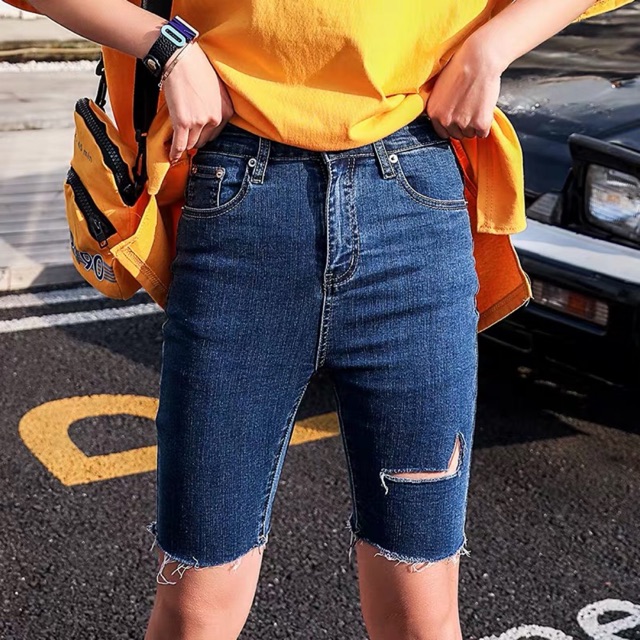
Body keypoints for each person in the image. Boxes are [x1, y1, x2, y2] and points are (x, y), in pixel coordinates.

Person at [7, 0, 632, 638]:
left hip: (413, 192)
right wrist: (166, 47)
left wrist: (491, 46)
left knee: (421, 611)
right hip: (239, 191)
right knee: (196, 606)